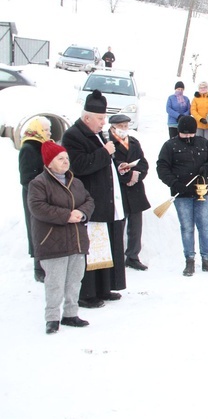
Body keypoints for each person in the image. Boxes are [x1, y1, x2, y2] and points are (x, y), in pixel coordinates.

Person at [62, 90, 126, 308]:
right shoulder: (73, 135)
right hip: (89, 200)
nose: (103, 123)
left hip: (106, 200)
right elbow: (78, 165)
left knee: (106, 245)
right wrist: (105, 153)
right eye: (100, 119)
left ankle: (104, 288)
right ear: (86, 117)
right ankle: (86, 294)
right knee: (92, 248)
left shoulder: (97, 134)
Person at [28, 141, 95, 334]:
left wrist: (81, 213)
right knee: (55, 282)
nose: (66, 162)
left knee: (75, 279)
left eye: (66, 158)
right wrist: (67, 215)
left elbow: (89, 200)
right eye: (60, 158)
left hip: (76, 239)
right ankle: (52, 318)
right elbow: (38, 208)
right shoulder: (39, 183)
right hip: (52, 242)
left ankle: (70, 314)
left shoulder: (76, 181)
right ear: (49, 162)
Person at [156, 116, 208, 276]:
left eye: (190, 134)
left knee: (205, 227)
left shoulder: (203, 143)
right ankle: (189, 260)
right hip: (182, 194)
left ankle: (207, 259)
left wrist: (207, 168)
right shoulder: (170, 145)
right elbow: (162, 167)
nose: (188, 137)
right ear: (178, 132)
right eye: (184, 134)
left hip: (201, 191)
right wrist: (174, 183)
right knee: (187, 228)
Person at [108, 114, 150, 271]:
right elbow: (111, 165)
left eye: (126, 126)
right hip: (119, 189)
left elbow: (143, 162)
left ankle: (133, 256)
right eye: (121, 126)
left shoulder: (133, 142)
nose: (124, 129)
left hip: (135, 189)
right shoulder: (108, 143)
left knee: (136, 225)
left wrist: (137, 174)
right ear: (113, 127)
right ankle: (116, 256)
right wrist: (127, 176)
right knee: (119, 225)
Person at [19, 116, 52, 282]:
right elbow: (26, 178)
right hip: (34, 196)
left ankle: (45, 265)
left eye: (48, 130)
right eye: (45, 130)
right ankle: (38, 268)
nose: (48, 133)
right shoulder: (29, 148)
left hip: (44, 194)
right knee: (36, 230)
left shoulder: (42, 146)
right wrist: (40, 190)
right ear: (37, 130)